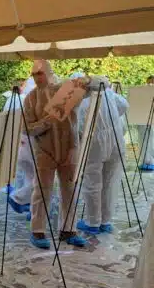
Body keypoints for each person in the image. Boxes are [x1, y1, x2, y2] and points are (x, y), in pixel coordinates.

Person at [23, 60, 105, 249]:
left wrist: (87, 80)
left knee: (70, 189)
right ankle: (37, 230)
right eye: (34, 74)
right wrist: (46, 122)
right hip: (44, 151)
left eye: (40, 73)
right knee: (41, 190)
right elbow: (27, 128)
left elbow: (102, 83)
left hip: (69, 148)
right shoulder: (30, 98)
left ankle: (68, 229)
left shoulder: (66, 90)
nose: (36, 78)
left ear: (49, 72)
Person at [76, 78, 128, 235]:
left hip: (95, 144)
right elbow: (124, 105)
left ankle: (93, 223)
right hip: (116, 141)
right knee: (110, 182)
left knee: (92, 183)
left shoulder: (83, 103)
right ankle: (105, 221)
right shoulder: (110, 95)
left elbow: (79, 129)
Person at [7, 77, 37, 217]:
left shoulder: (23, 101)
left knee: (29, 178)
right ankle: (17, 198)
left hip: (22, 145)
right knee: (40, 181)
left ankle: (31, 208)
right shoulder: (36, 104)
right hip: (31, 147)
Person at [137, 76, 154, 171]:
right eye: (148, 83)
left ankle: (151, 161)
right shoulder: (142, 92)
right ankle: (145, 161)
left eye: (152, 83)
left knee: (151, 140)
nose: (150, 84)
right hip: (142, 119)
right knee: (143, 140)